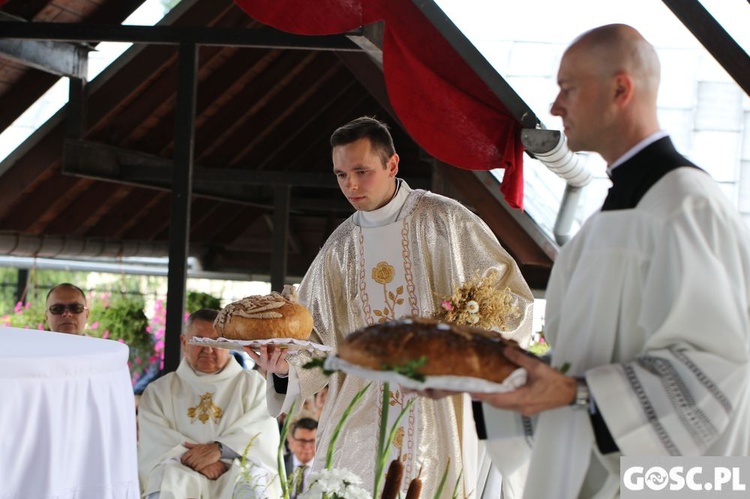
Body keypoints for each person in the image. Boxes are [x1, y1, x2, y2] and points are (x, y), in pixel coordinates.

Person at [474, 24, 750, 499]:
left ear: (621, 88)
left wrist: (580, 393)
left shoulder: (686, 206)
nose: (555, 107)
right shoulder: (604, 222)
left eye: (568, 89)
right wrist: (478, 378)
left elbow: (722, 367)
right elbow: (578, 363)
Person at [249, 116, 534, 497]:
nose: (350, 184)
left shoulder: (446, 221)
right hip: (361, 409)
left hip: (438, 402)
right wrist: (284, 367)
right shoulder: (340, 247)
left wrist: (463, 344)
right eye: (340, 174)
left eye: (361, 171)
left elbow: (510, 303)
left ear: (392, 165)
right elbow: (315, 336)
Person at [138, 309, 281, 499]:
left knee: (254, 483)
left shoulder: (253, 385)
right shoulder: (160, 390)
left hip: (234, 469)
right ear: (184, 342)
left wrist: (219, 450)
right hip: (178, 468)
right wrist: (200, 461)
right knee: (164, 482)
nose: (208, 349)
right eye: (199, 341)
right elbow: (155, 440)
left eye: (216, 342)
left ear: (229, 344)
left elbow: (262, 434)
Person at [285, 417, 317, 498]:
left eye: (312, 441)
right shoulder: (280, 463)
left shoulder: (326, 467)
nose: (307, 447)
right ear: (292, 441)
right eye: (302, 441)